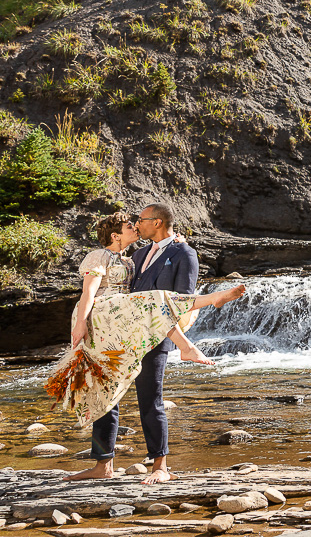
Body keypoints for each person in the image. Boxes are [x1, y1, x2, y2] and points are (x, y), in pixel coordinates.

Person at [49, 204, 244, 484]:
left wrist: (173, 332)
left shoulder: (183, 253)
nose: (136, 225)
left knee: (150, 400)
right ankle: (103, 465)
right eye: (132, 224)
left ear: (158, 222)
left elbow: (181, 298)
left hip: (152, 334)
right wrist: (80, 323)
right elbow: (93, 290)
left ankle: (160, 467)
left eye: (140, 221)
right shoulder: (136, 255)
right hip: (111, 330)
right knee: (105, 397)